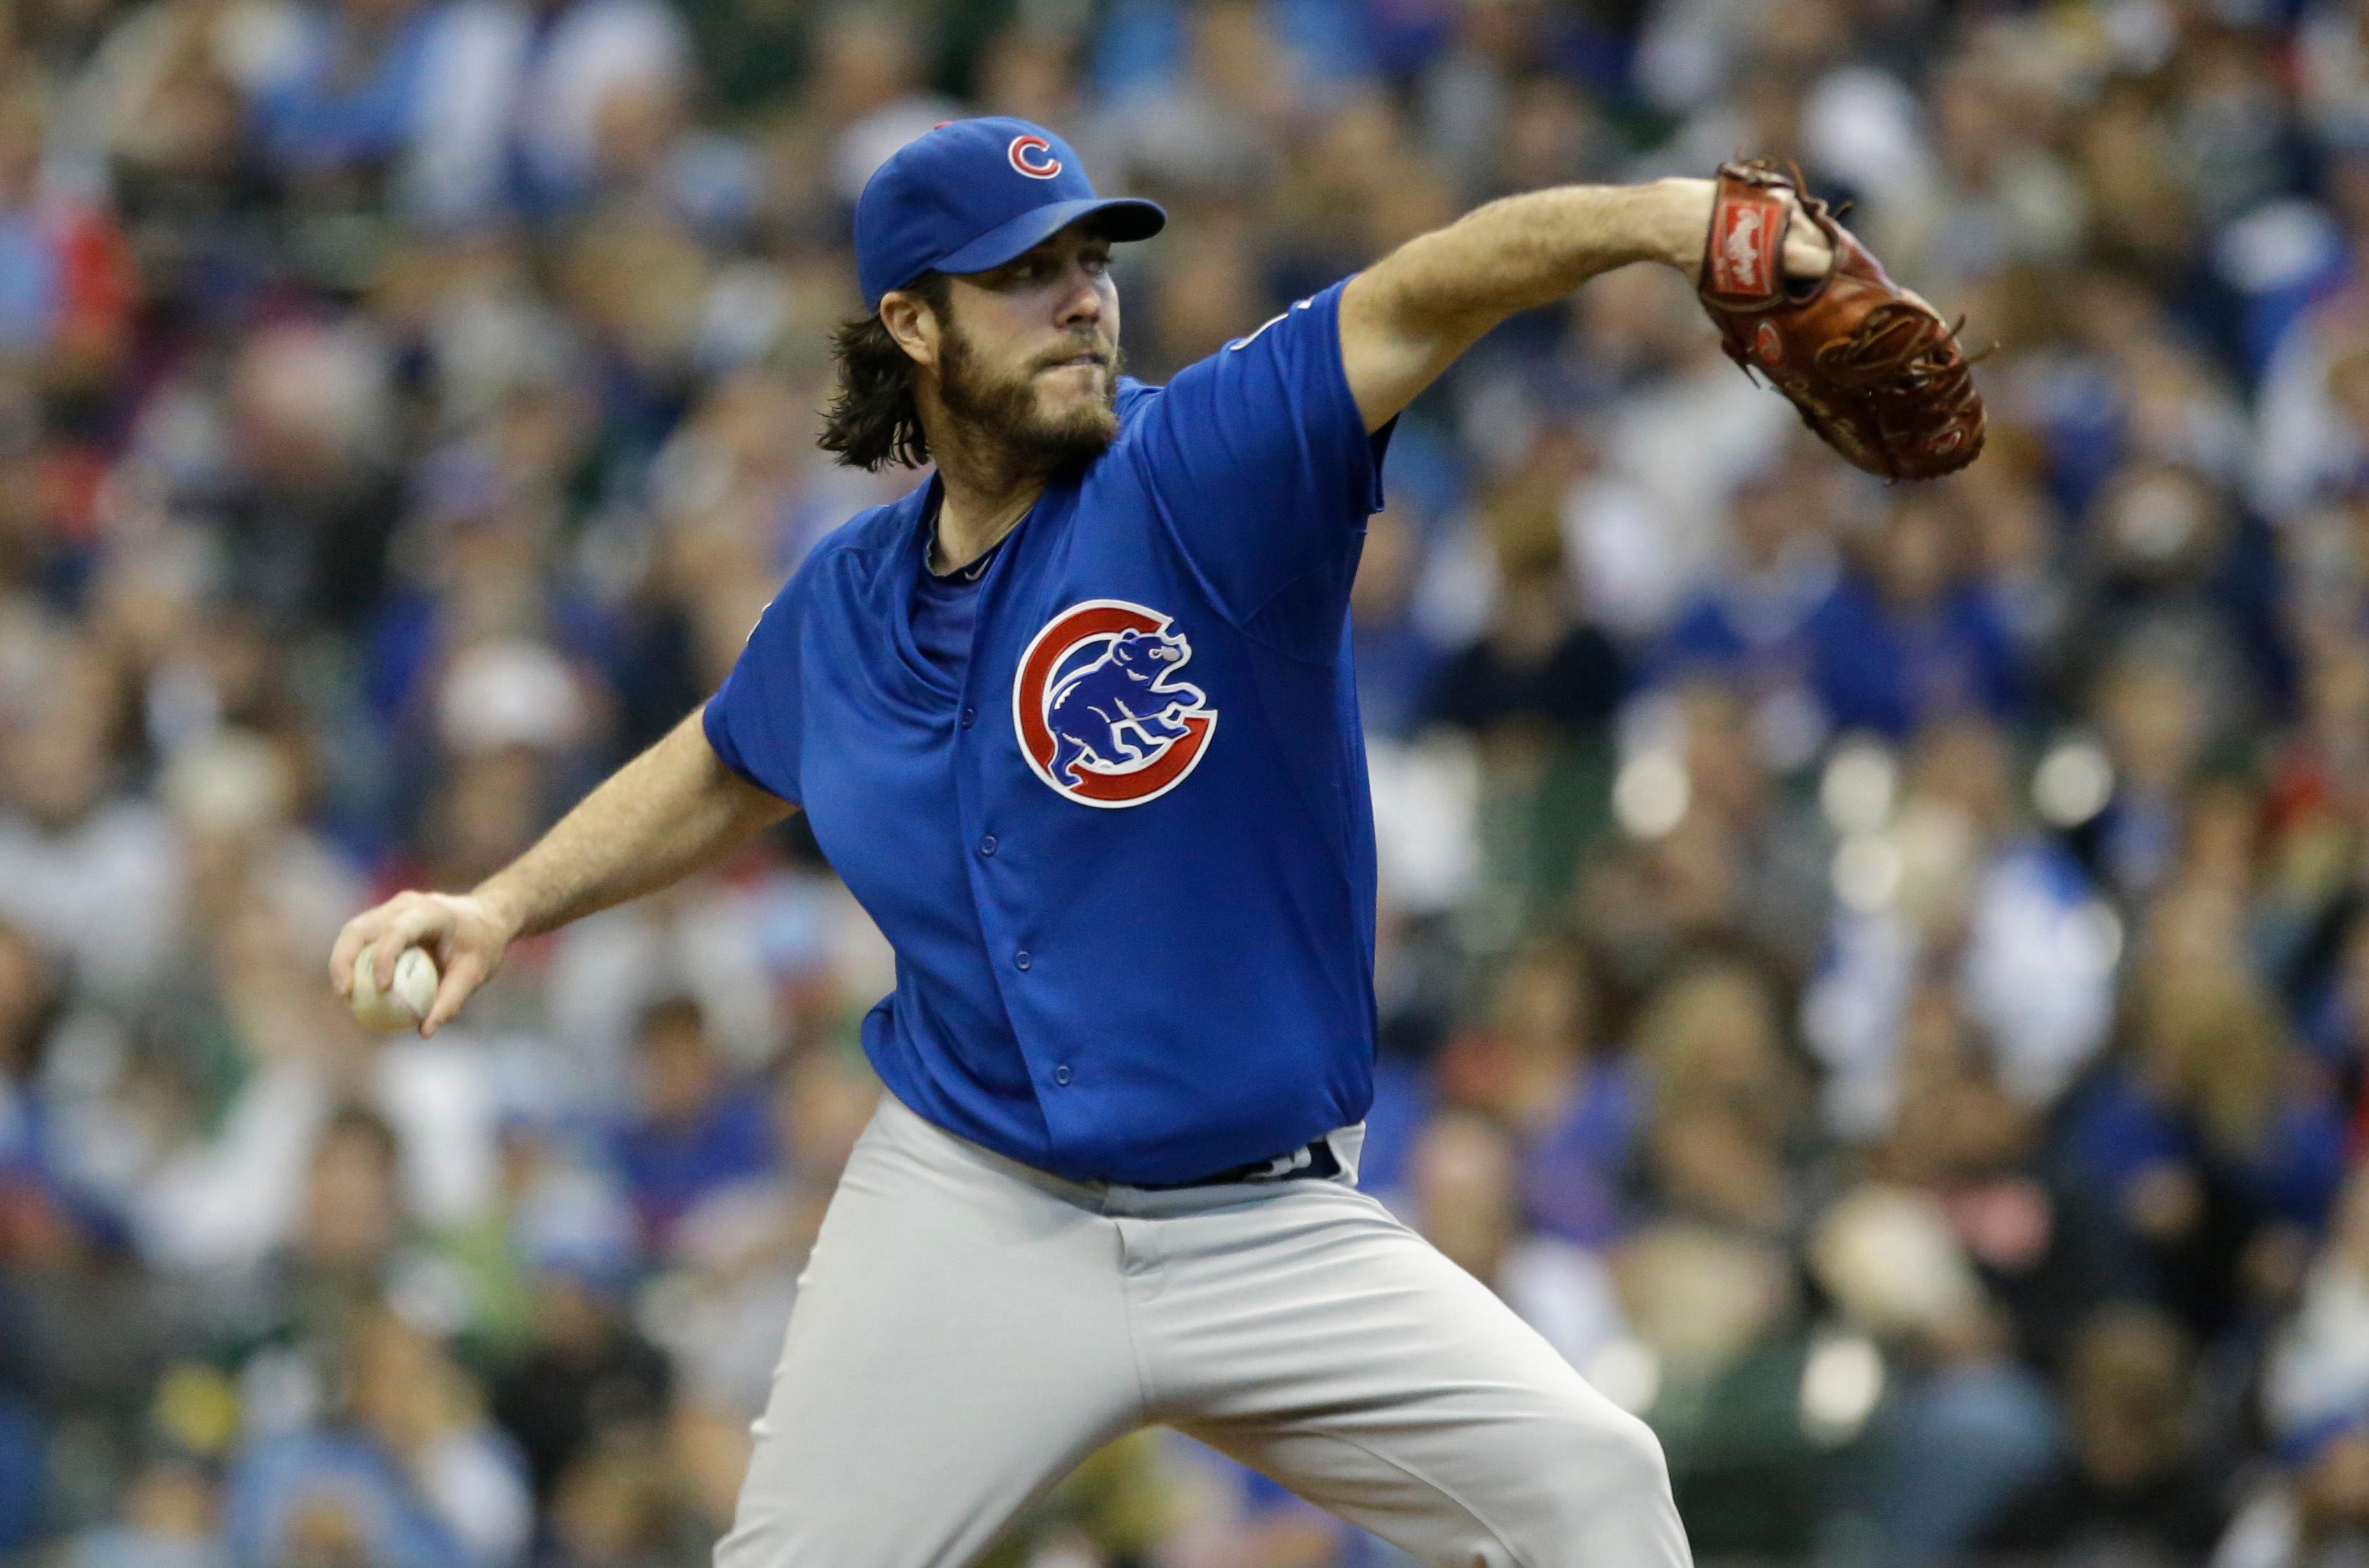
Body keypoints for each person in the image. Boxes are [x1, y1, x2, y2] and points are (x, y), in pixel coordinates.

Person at [331, 115, 1832, 1566]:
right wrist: (503, 905)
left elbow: (1424, 290)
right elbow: (730, 762)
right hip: (969, 1210)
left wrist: (1666, 219)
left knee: (1592, 1485)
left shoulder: (1201, 473)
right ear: (914, 325)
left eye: (1093, 262)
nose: (1081, 300)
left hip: (1267, 1225)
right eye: (1024, 273)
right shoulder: (847, 602)